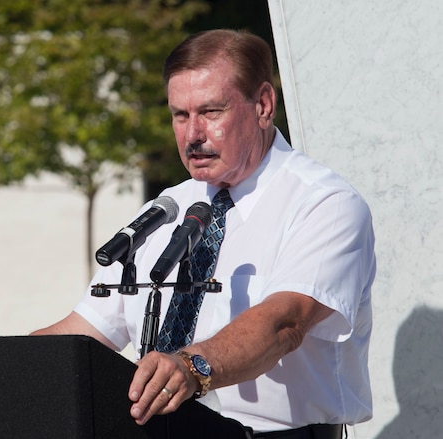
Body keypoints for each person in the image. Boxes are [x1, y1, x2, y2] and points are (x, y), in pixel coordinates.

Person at [31, 29, 375, 438]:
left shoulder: (324, 204)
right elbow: (84, 334)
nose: (192, 134)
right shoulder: (166, 210)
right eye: (180, 115)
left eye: (211, 112)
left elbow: (284, 322)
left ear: (263, 105)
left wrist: (191, 368)